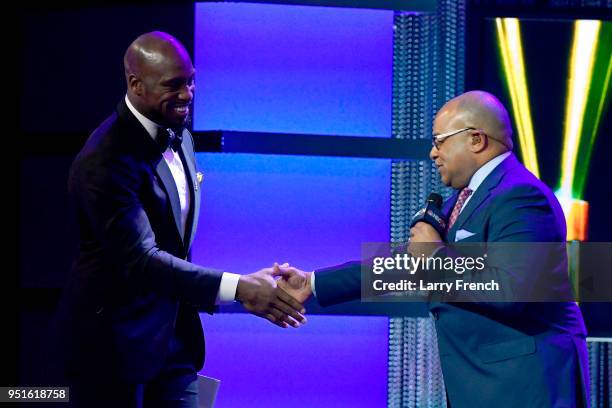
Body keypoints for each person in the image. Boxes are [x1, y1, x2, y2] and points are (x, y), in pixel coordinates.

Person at [277, 91, 590, 407]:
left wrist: (437, 256)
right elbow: (408, 265)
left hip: (523, 387)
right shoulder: (465, 200)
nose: (432, 153)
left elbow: (511, 291)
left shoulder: (519, 196)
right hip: (486, 385)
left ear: (476, 140)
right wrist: (312, 283)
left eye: (439, 141)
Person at [54, 31, 305, 407]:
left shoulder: (181, 136)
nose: (188, 94)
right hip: (111, 349)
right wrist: (238, 288)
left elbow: (174, 245)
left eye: (191, 81)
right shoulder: (104, 159)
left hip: (175, 341)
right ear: (135, 84)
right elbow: (141, 260)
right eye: (174, 85)